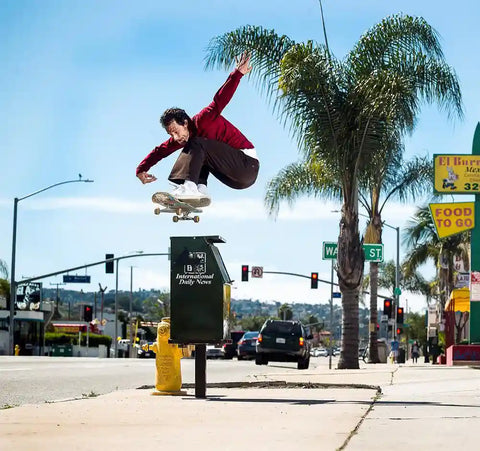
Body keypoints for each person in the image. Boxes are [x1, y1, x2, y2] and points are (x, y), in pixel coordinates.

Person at [136, 52, 259, 204]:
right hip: (234, 179)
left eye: (175, 131)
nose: (175, 138)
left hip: (247, 165)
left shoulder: (204, 118)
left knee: (196, 143)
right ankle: (201, 189)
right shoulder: (182, 138)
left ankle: (189, 188)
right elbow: (160, 151)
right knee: (197, 150)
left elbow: (220, 99)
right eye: (170, 134)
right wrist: (141, 169)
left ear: (185, 123)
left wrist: (237, 74)